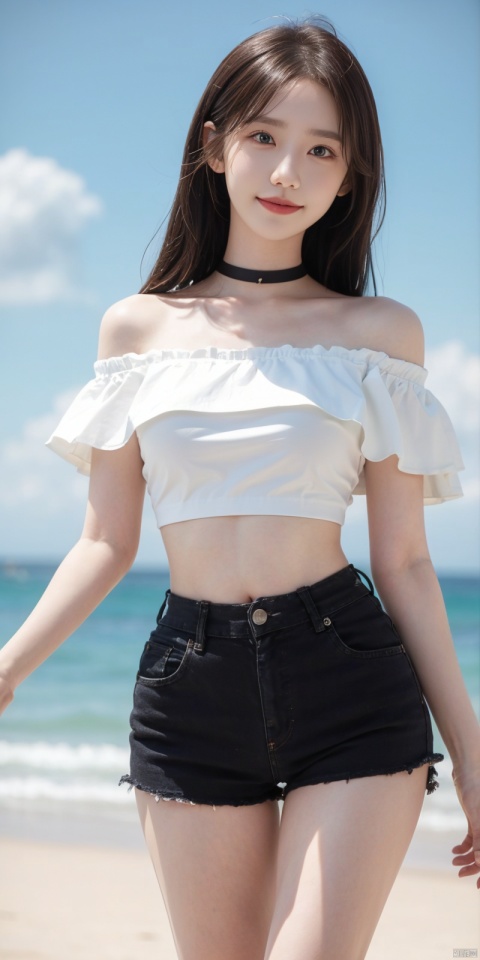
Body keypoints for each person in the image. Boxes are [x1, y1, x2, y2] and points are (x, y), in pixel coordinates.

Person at [1, 17, 479, 960]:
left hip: (350, 675)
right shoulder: (135, 330)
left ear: (350, 178)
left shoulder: (380, 333)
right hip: (191, 685)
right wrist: (7, 669)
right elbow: (105, 543)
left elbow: (408, 562)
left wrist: (472, 754)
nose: (285, 172)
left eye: (320, 150)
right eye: (263, 136)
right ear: (214, 144)